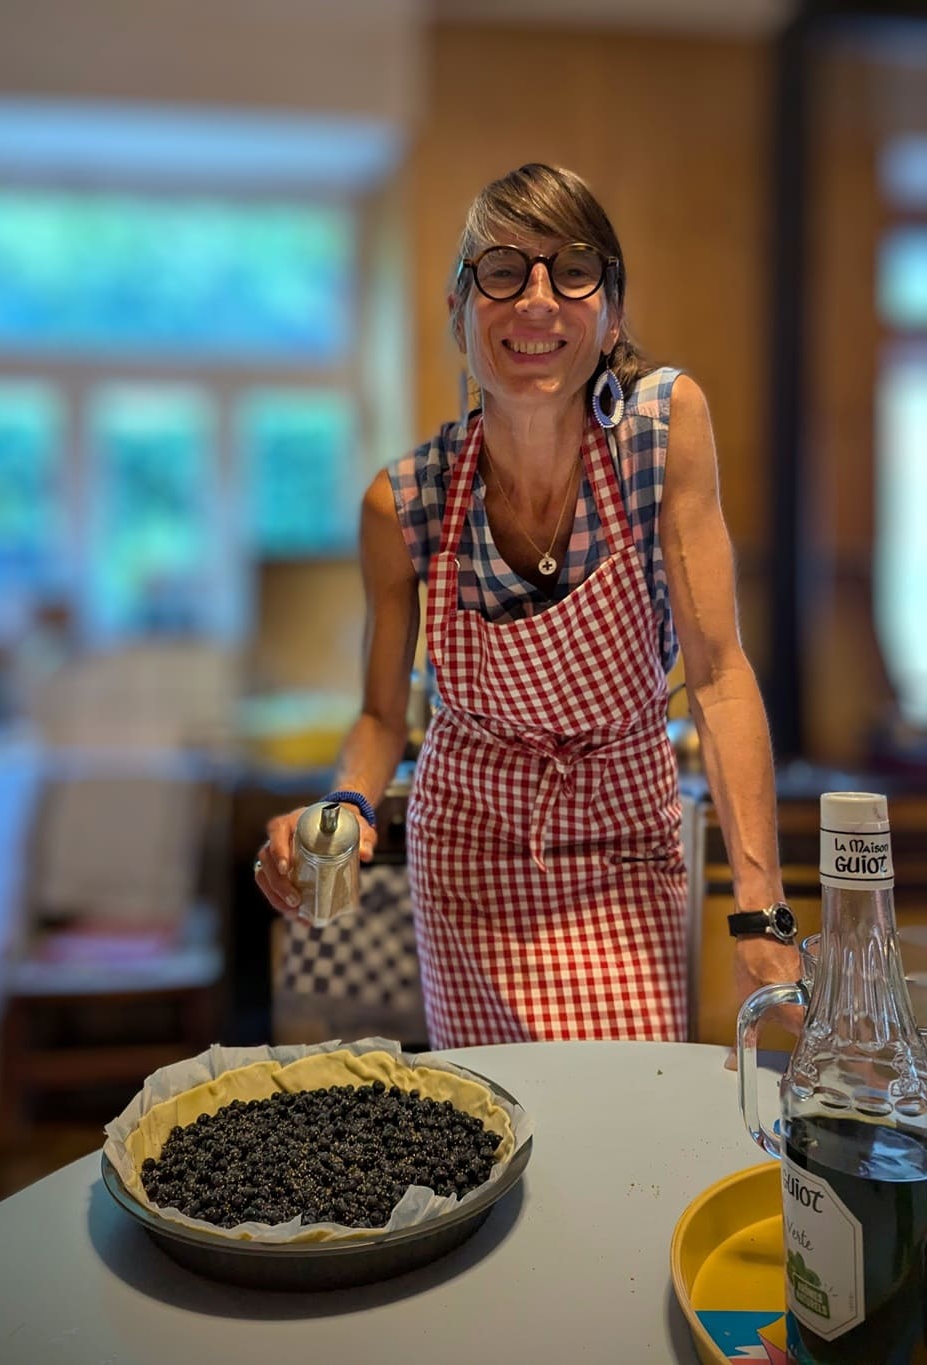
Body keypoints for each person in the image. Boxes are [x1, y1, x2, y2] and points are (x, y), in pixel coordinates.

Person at [254, 161, 799, 1048]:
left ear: (612, 314)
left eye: (572, 270)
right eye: (502, 272)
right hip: (467, 862)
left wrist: (761, 913)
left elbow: (718, 673)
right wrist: (346, 803)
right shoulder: (405, 504)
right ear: (459, 314)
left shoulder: (663, 432)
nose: (536, 301)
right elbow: (382, 716)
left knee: (634, 1110)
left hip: (626, 847)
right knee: (494, 1111)